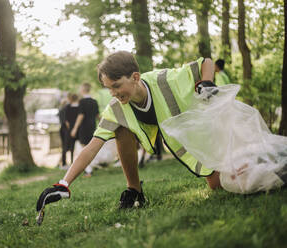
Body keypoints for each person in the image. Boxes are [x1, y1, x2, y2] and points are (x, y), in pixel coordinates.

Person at [36, 51, 220, 225]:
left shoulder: (165, 79)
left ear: (135, 77)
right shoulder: (116, 108)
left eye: (116, 86)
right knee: (121, 128)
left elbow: (206, 62)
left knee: (219, 188)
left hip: (202, 129)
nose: (113, 93)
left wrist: (207, 82)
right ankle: (134, 190)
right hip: (170, 132)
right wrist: (63, 184)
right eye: (109, 88)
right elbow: (92, 147)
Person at [70, 83, 99, 177]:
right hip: (92, 127)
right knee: (90, 148)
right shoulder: (94, 101)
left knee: (84, 149)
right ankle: (89, 168)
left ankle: (88, 170)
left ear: (83, 89)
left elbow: (81, 115)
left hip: (84, 127)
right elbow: (98, 116)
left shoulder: (81, 102)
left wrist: (75, 128)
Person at [60, 93, 79, 169]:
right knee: (71, 147)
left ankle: (67, 163)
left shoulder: (67, 107)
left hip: (68, 130)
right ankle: (69, 162)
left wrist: (70, 129)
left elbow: (66, 121)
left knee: (66, 147)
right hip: (74, 129)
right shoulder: (78, 107)